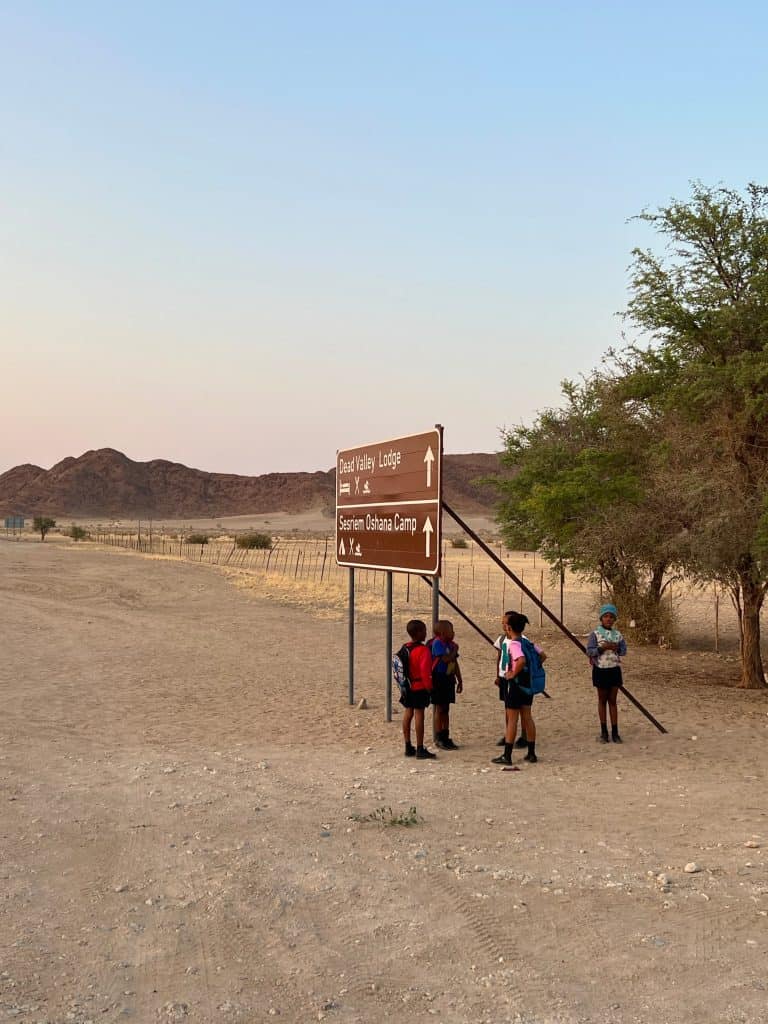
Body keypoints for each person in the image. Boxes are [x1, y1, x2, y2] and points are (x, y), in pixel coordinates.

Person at [492, 611, 545, 766]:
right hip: (527, 685)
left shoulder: (514, 643)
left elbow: (520, 660)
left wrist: (513, 673)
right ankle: (531, 753)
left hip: (515, 685)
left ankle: (507, 755)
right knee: (527, 717)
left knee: (512, 720)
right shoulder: (527, 642)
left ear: (508, 627)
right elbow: (543, 655)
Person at [586, 603, 627, 743]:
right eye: (606, 616)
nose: (608, 619)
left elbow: (624, 651)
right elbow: (589, 651)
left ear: (614, 619)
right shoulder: (595, 634)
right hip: (600, 670)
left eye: (611, 617)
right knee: (602, 700)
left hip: (614, 670)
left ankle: (615, 732)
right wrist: (602, 648)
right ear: (601, 618)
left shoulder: (618, 635)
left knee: (613, 701)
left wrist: (616, 648)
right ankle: (604, 732)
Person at [398, 619, 437, 759]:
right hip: (419, 686)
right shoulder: (423, 650)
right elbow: (425, 672)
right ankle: (420, 748)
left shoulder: (405, 647)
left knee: (408, 713)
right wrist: (430, 688)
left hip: (407, 686)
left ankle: (408, 745)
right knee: (419, 714)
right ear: (419, 632)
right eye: (424, 630)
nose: (426, 633)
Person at [493, 614, 529, 749]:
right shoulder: (502, 639)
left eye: (505, 623)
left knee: (520, 709)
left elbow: (523, 659)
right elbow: (500, 657)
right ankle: (508, 734)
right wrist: (498, 675)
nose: (503, 625)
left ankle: (524, 736)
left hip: (515, 677)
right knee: (508, 707)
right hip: (504, 676)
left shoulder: (521, 640)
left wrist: (515, 673)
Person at [430, 619, 463, 750]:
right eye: (451, 630)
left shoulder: (451, 645)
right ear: (443, 633)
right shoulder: (438, 644)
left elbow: (454, 663)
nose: (454, 633)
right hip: (439, 678)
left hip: (449, 678)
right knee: (439, 708)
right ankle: (439, 736)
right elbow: (446, 658)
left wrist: (459, 679)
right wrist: (455, 650)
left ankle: (446, 734)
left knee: (446, 708)